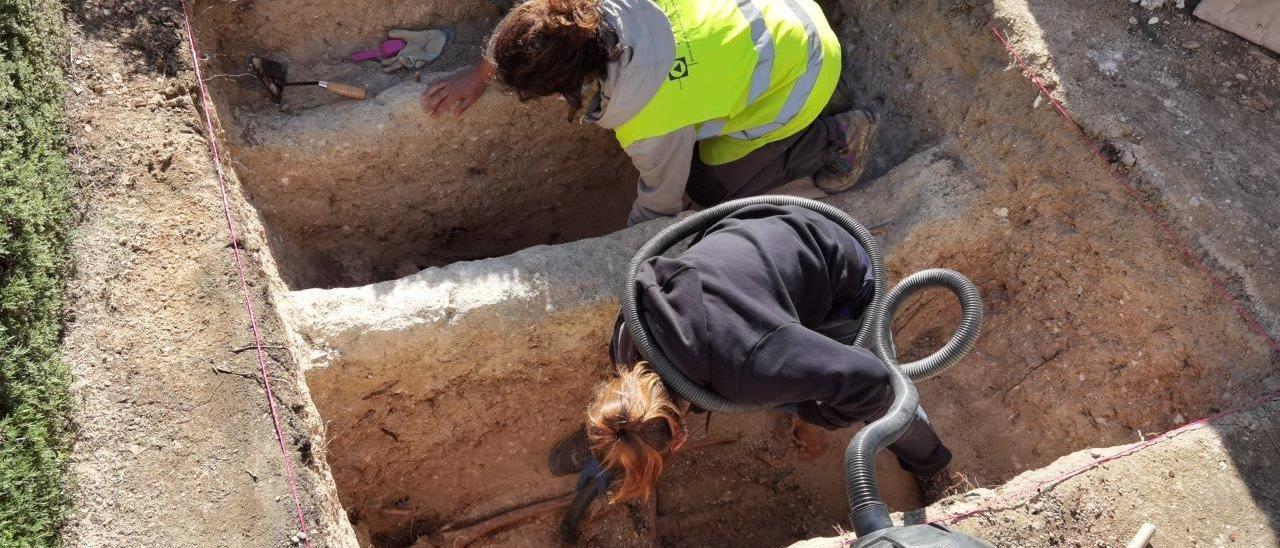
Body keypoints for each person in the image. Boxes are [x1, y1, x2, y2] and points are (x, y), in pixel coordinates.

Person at [548, 204, 955, 536]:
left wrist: (810, 410)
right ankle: (614, 444)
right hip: (750, 239)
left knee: (885, 404)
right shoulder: (628, 332)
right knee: (781, 372)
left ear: (682, 436)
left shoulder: (750, 370)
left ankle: (932, 463)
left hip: (836, 266)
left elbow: (869, 382)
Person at [421, 0, 880, 226]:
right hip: (781, 11)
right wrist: (483, 71)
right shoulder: (590, 10)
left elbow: (661, 205)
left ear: (566, 87)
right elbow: (539, 13)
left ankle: (834, 136)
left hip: (805, 67)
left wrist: (629, 255)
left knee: (708, 184)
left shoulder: (644, 117)